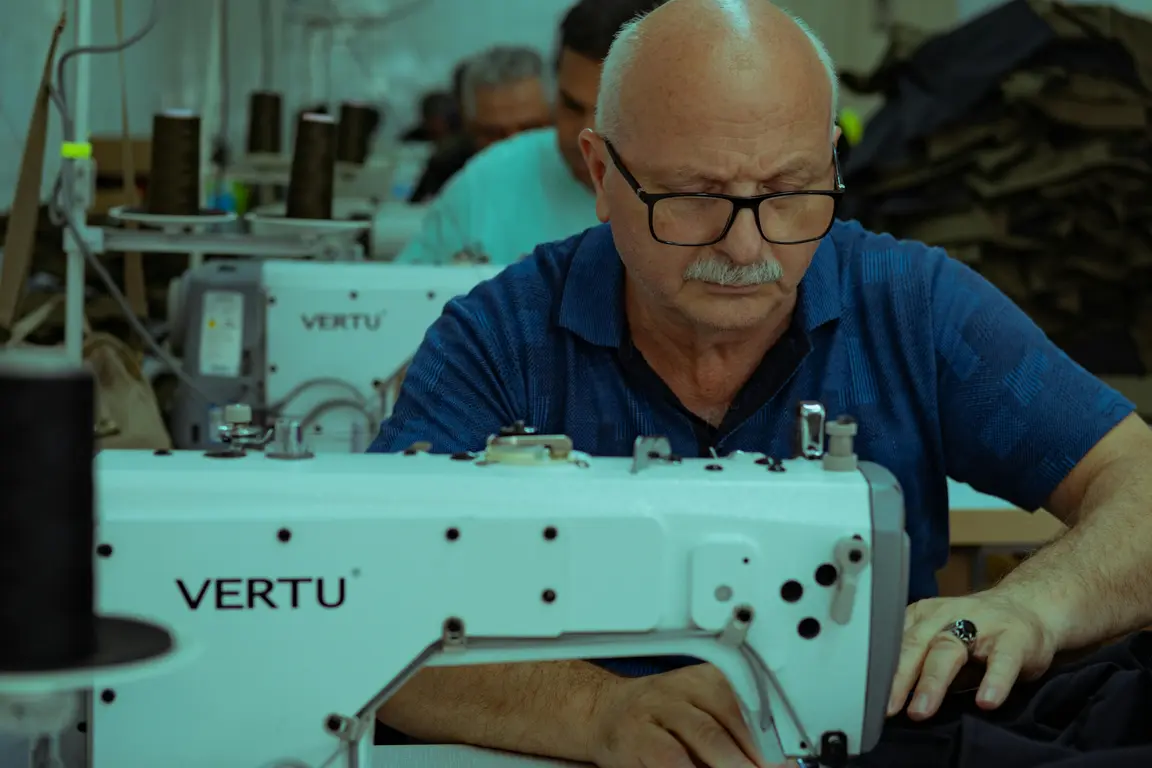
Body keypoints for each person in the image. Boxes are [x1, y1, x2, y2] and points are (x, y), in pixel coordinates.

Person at [371, 1, 1152, 767]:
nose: (748, 248)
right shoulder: (501, 342)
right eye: (696, 198)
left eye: (790, 192)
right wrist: (599, 711)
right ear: (603, 173)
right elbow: (365, 605)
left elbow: (1139, 480)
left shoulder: (909, 305)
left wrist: (1032, 603)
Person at [395, 0, 666, 265]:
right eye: (571, 105)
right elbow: (400, 298)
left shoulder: (702, 192)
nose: (583, 134)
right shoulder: (487, 182)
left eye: (607, 112)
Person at [408, 46, 550, 204]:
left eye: (529, 129)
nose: (514, 146)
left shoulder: (577, 167)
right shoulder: (448, 171)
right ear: (469, 128)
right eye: (495, 134)